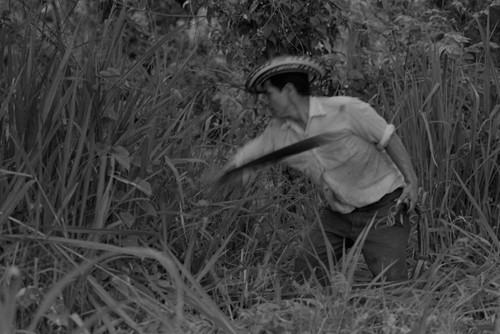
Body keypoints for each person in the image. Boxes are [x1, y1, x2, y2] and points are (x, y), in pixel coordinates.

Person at [220, 55, 418, 284]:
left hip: (384, 207)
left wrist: (411, 182)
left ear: (289, 90)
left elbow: (389, 137)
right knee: (306, 272)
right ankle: (323, 312)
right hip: (339, 213)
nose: (265, 101)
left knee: (392, 284)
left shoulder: (347, 110)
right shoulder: (279, 132)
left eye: (269, 94)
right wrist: (225, 174)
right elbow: (251, 154)